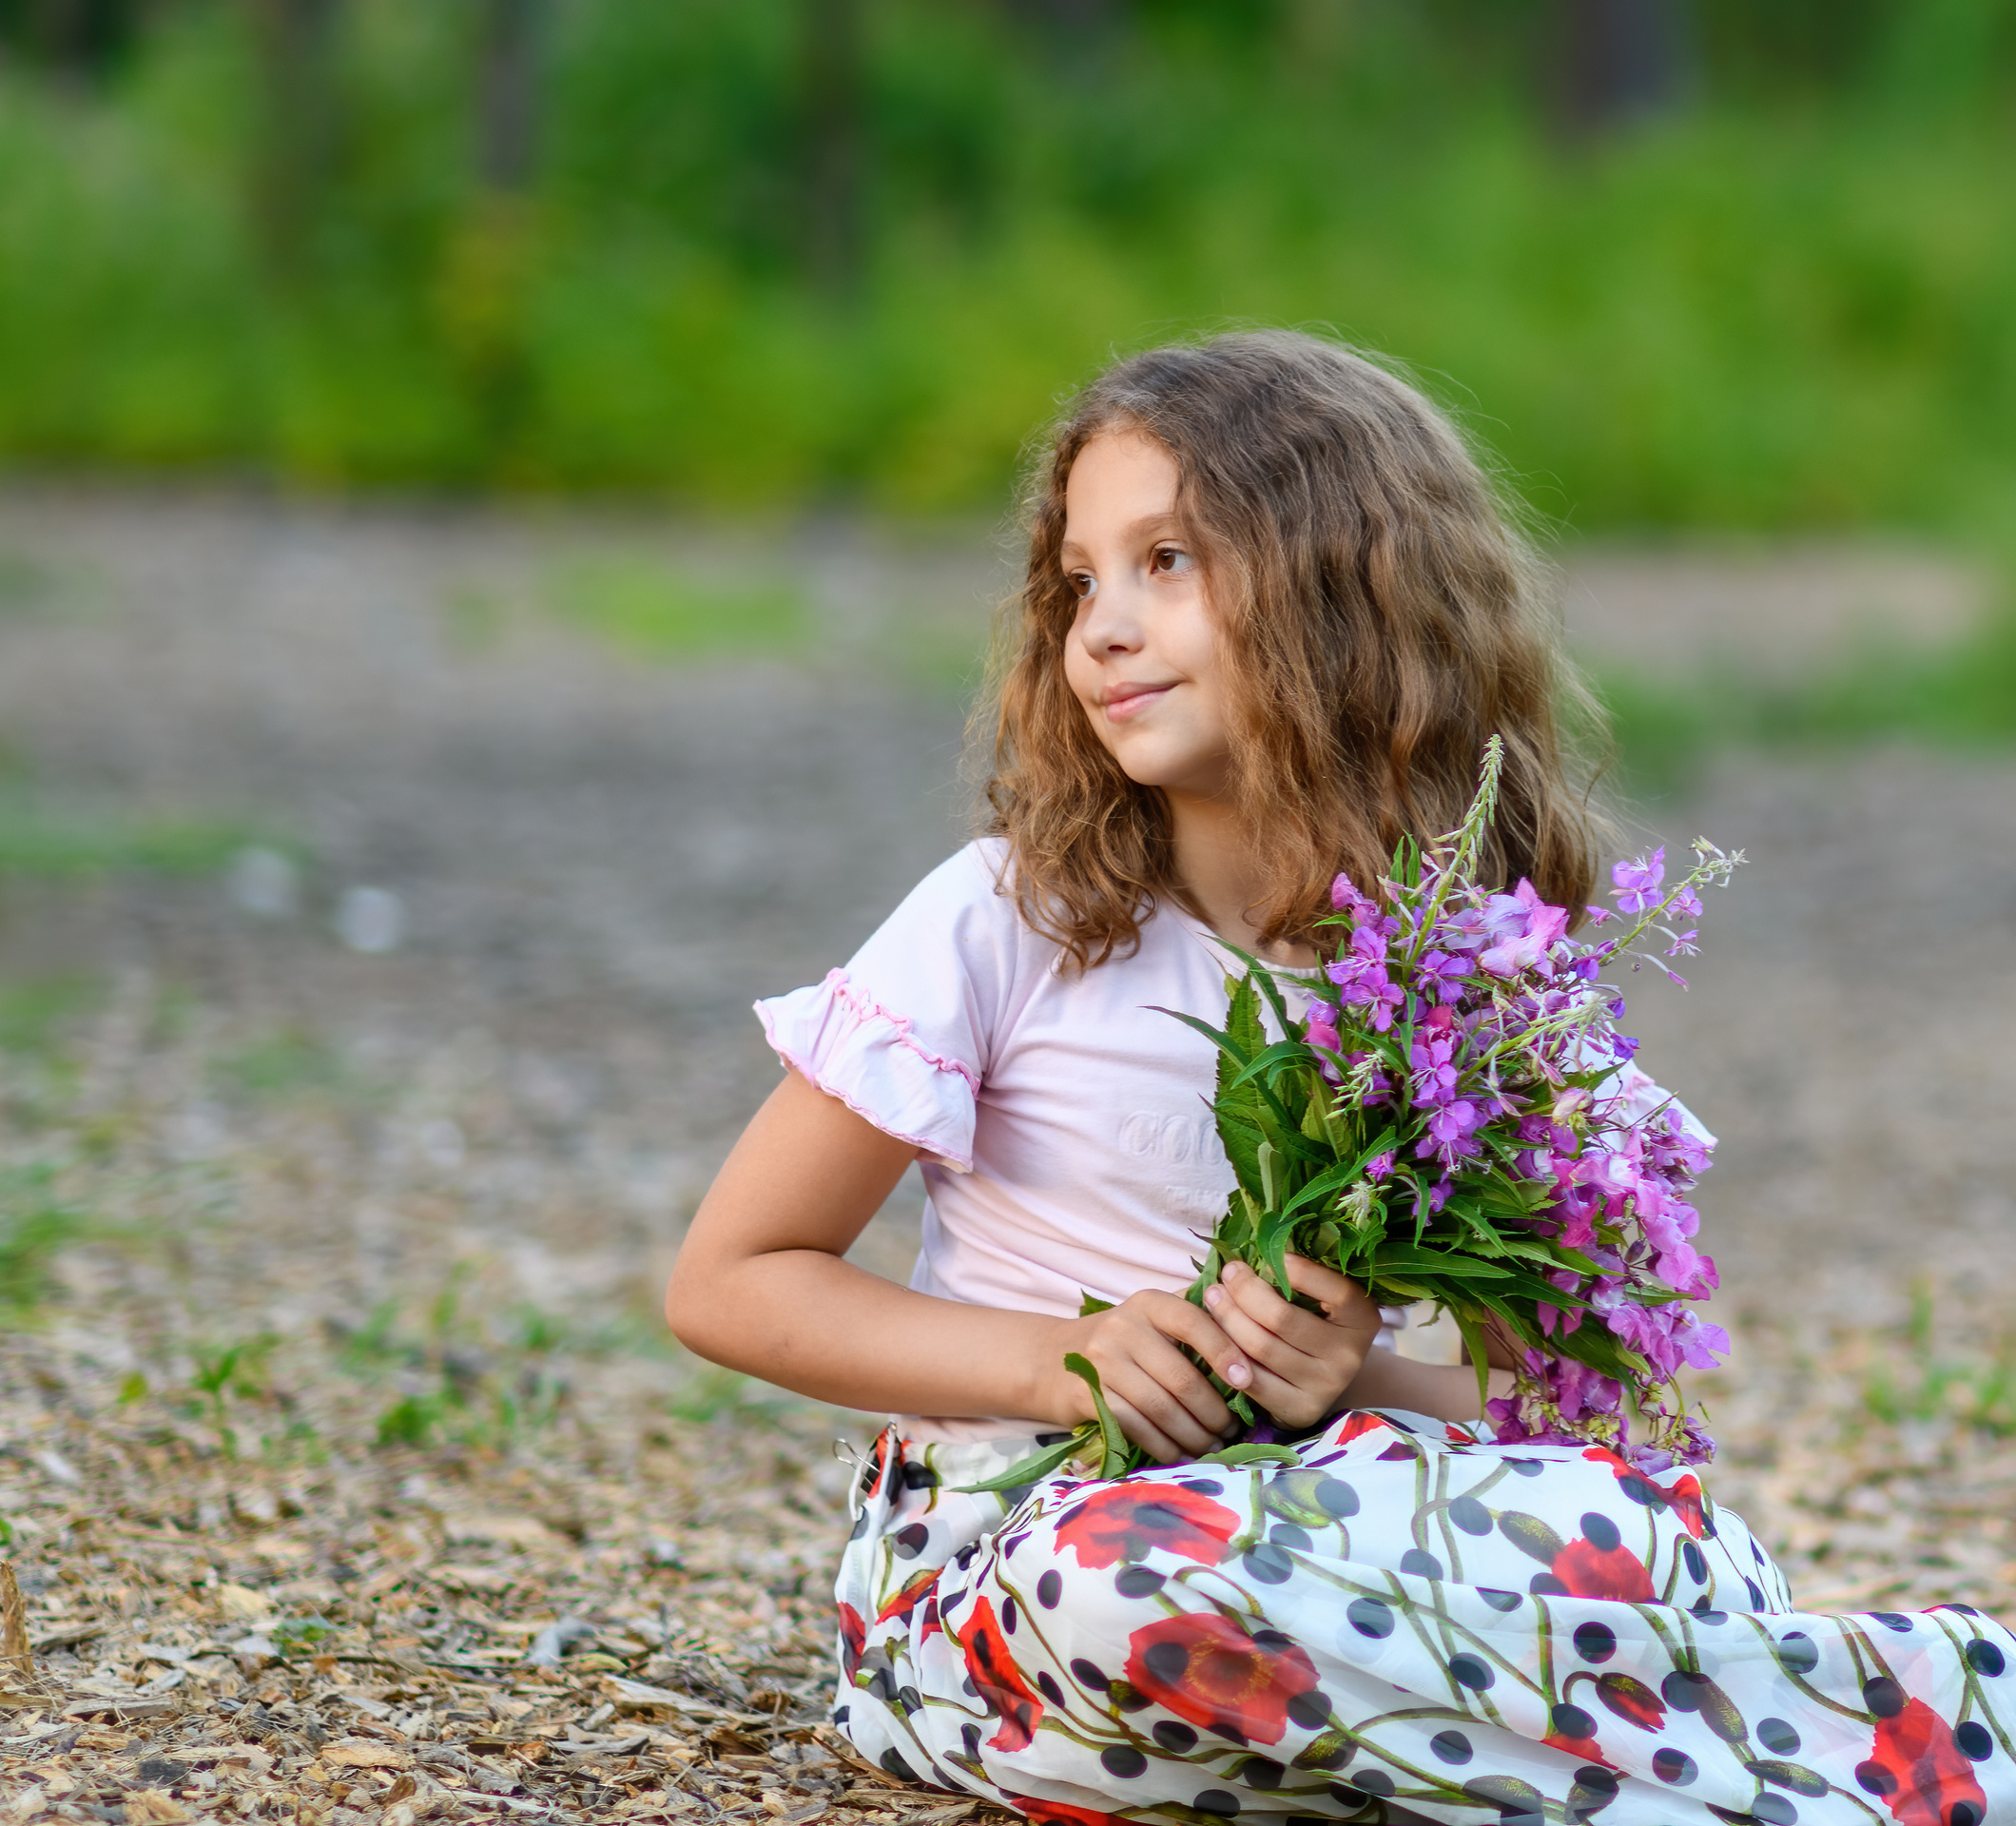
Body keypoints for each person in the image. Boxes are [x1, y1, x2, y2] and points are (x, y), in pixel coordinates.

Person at [666, 332, 2015, 1826]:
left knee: (1647, 1531)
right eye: (1077, 580)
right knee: (1135, 1587)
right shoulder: (1011, 919)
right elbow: (733, 1279)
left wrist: (1343, 1374)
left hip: (1347, 1536)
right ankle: (1872, 1751)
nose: (1102, 626)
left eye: (1167, 560)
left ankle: (1727, 1756)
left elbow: (1568, 1397)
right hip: (1034, 1573)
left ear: (1347, 594)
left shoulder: (1472, 983)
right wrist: (1070, 1362)